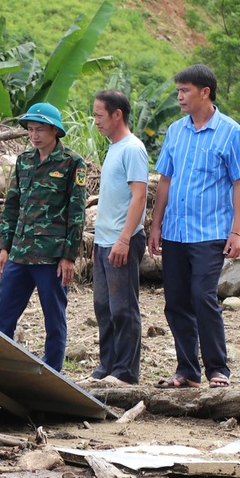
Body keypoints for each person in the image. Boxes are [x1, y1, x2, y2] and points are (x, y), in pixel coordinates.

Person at [148, 64, 240, 389]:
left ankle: (218, 369)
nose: (179, 97)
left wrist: (237, 231)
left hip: (210, 233)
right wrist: (155, 225)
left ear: (205, 92)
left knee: (203, 297)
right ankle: (187, 371)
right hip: (175, 232)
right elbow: (165, 180)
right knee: (176, 301)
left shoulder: (231, 132)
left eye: (185, 91)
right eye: (178, 91)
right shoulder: (175, 131)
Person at [0, 102, 86, 371]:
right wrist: (4, 247)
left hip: (51, 256)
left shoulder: (72, 162)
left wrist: (68, 256)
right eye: (30, 130)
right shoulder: (24, 160)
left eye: (40, 130)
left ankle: (52, 372)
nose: (34, 135)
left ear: (54, 130)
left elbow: (76, 213)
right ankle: (0, 369)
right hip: (20, 253)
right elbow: (12, 205)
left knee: (54, 320)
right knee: (1, 317)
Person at [83, 89, 149, 387]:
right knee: (103, 306)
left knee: (123, 308)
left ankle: (125, 371)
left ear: (117, 114)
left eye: (99, 115)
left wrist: (124, 239)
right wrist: (99, 242)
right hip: (104, 241)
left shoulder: (132, 149)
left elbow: (139, 197)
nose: (96, 121)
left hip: (123, 239)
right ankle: (106, 365)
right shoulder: (113, 148)